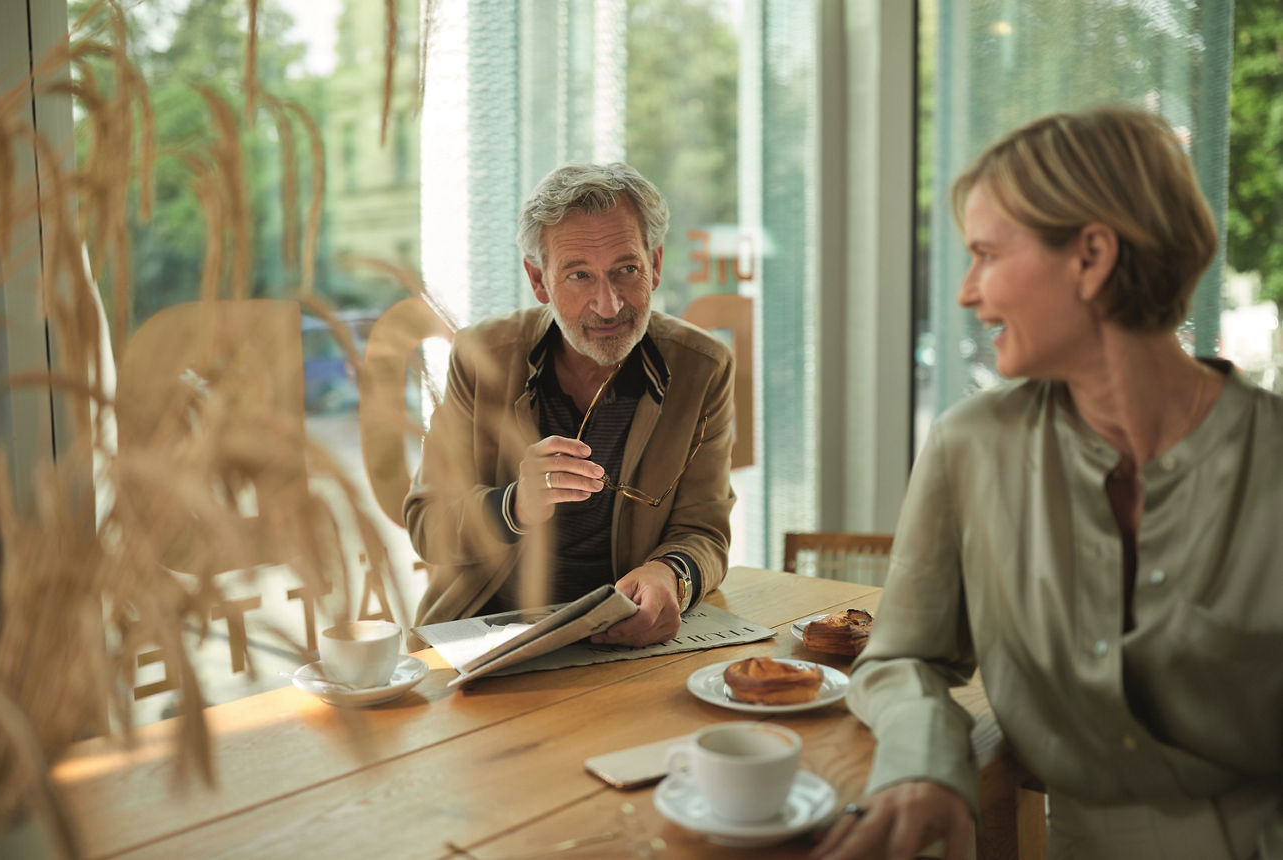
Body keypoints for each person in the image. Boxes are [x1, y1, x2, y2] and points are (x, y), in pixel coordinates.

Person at [814, 106, 1283, 860]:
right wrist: (926, 765)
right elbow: (904, 658)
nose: (967, 292)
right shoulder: (970, 446)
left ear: (1092, 256)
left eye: (986, 254)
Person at [404, 162, 735, 647]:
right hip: (492, 635)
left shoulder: (703, 367)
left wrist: (672, 576)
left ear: (656, 265)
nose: (609, 305)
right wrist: (514, 505)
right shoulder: (482, 358)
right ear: (539, 281)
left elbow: (703, 530)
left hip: (628, 635)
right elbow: (426, 523)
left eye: (627, 270)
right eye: (580, 275)